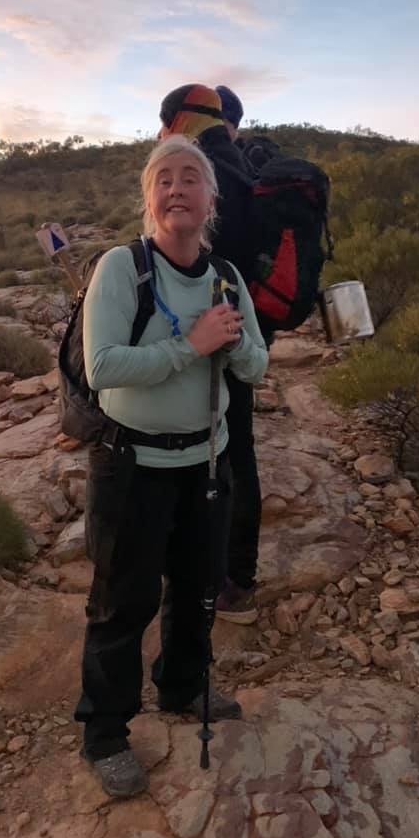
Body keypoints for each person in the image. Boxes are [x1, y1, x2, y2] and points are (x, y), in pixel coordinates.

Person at [74, 135, 268, 798]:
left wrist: (233, 344)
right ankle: (104, 732)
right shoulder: (122, 268)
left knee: (198, 588)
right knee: (121, 603)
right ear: (149, 199)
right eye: (164, 180)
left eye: (191, 178)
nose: (177, 188)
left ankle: (184, 687)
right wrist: (192, 345)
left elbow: (257, 366)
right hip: (132, 468)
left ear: (211, 199)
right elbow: (104, 369)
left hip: (206, 464)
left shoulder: (227, 278)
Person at [159, 83, 263, 625]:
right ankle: (228, 567)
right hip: (240, 324)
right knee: (233, 449)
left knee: (231, 452)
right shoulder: (239, 161)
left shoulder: (212, 166)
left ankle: (233, 572)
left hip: (217, 327)